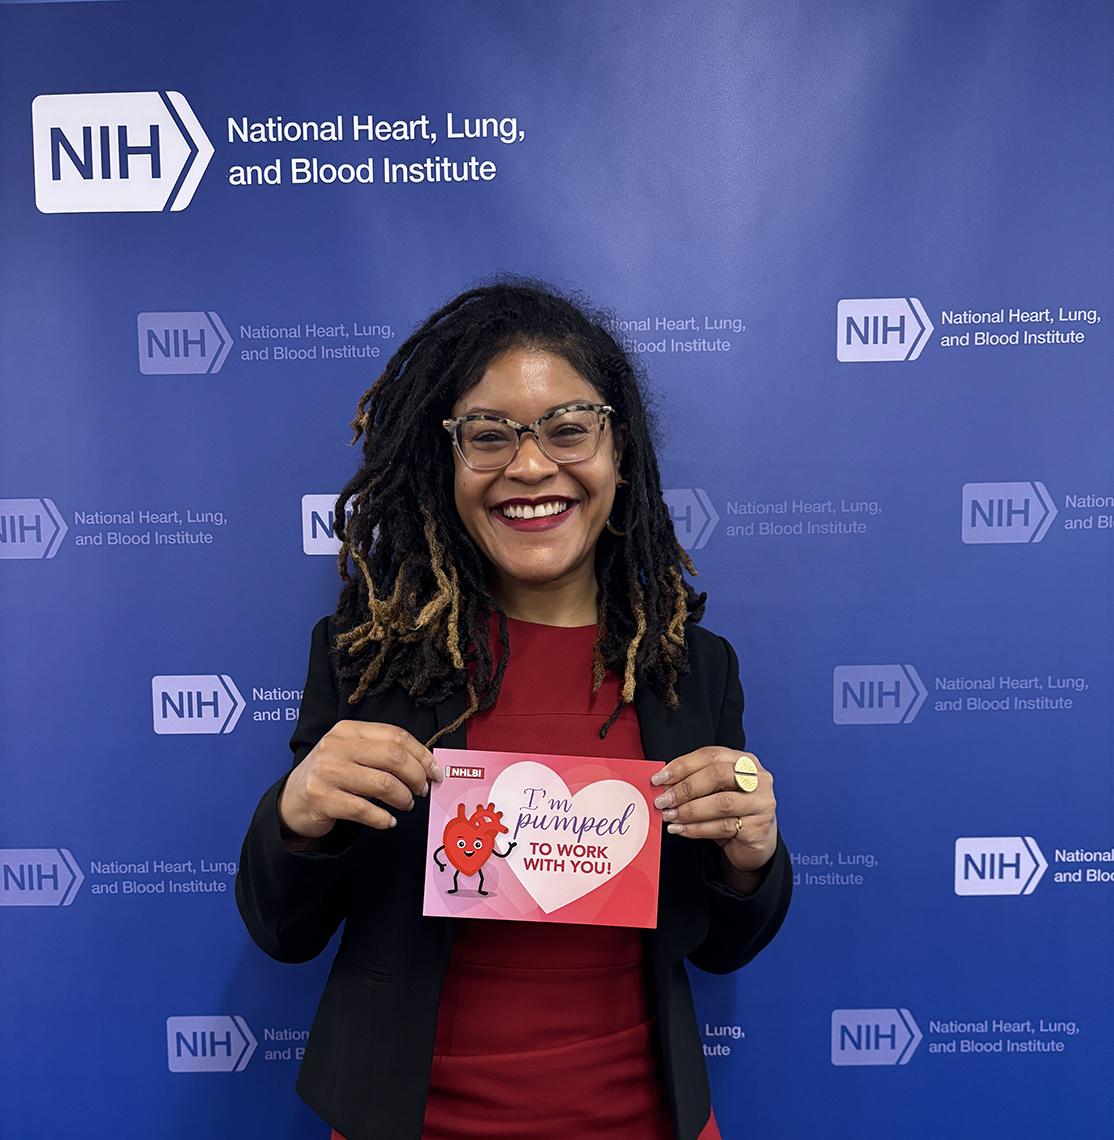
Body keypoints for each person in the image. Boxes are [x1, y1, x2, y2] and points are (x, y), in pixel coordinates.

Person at [235, 281, 792, 1140]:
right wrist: (297, 820)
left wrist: (752, 859)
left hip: (644, 1121)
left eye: (569, 429)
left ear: (620, 452)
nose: (531, 467)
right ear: (444, 464)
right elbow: (283, 930)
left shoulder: (692, 667)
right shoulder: (370, 655)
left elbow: (722, 945)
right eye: (488, 437)